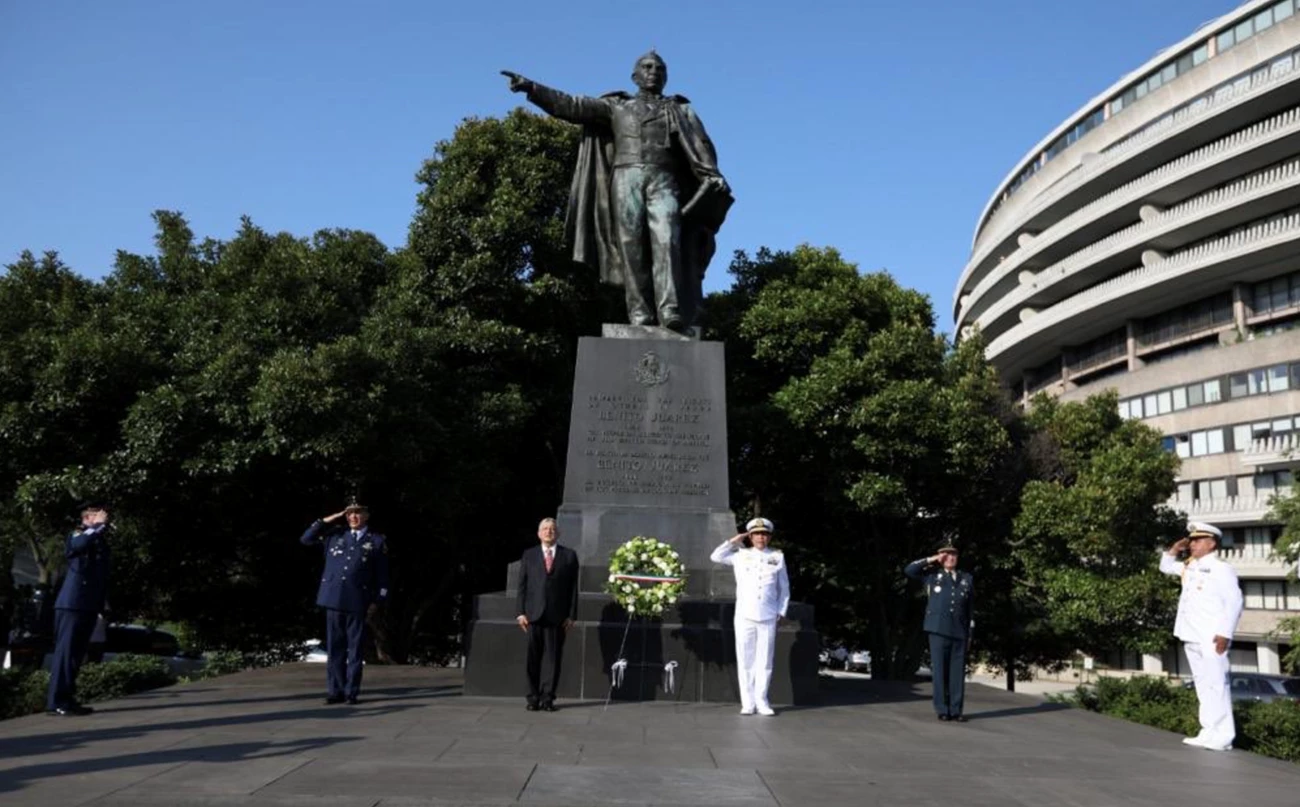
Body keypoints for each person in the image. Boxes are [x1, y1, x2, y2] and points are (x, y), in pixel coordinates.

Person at [502, 50, 732, 332]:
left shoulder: (679, 110)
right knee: (631, 246)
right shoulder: (617, 106)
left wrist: (711, 176)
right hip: (626, 177)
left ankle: (670, 309)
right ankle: (639, 313)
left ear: (666, 76)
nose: (653, 71)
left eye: (659, 68)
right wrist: (532, 88)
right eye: (647, 67)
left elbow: (701, 147)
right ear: (635, 76)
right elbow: (572, 106)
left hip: (664, 179)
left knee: (667, 240)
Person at [1159, 521, 1243, 751]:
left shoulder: (1220, 569)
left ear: (1211, 543)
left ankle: (1224, 735)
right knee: (1203, 685)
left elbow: (1235, 601)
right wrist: (1175, 550)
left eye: (1197, 540)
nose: (1192, 544)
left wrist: (1225, 633)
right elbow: (1165, 567)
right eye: (1192, 540)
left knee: (1217, 685)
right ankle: (1208, 730)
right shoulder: (1190, 566)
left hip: (1211, 636)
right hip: (1191, 634)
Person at [299, 499, 390, 705]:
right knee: (335, 649)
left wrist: (379, 599)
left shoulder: (375, 541)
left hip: (358, 600)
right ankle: (335, 691)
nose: (353, 517)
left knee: (355, 649)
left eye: (358, 513)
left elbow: (382, 575)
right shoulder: (335, 535)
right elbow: (306, 539)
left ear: (366, 516)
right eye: (350, 514)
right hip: (333, 598)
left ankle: (351, 692)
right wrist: (325, 520)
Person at [710, 517, 790, 716]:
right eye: (756, 534)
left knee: (765, 661)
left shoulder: (777, 557)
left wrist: (781, 611)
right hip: (745, 613)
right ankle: (748, 702)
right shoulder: (740, 555)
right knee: (746, 659)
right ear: (750, 536)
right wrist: (734, 540)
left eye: (764, 534)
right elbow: (716, 556)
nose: (760, 538)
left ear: (769, 537)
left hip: (768, 614)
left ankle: (762, 700)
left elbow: (784, 588)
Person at [46, 502, 112, 716]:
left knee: (76, 655)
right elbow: (78, 545)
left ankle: (67, 698)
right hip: (72, 604)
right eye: (95, 515)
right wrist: (96, 527)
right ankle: (56, 702)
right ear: (86, 518)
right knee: (65, 653)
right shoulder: (79, 533)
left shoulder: (98, 539)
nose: (102, 518)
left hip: (88, 604)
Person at [904, 543, 974, 722]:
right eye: (946, 555)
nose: (950, 558)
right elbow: (909, 570)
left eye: (954, 555)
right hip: (938, 629)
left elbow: (970, 610)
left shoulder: (966, 578)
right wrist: (932, 559)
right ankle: (942, 709)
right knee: (940, 671)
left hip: (959, 631)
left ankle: (956, 710)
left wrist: (970, 634)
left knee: (957, 673)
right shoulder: (932, 576)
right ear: (941, 557)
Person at [516, 517, 580, 711]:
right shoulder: (529, 555)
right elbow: (522, 586)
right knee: (532, 659)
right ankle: (532, 698)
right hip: (533, 615)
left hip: (557, 616)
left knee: (553, 660)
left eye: (552, 529)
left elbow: (573, 589)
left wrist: (572, 615)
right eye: (545, 529)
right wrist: (520, 612)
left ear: (558, 533)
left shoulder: (569, 556)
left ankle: (547, 698)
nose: (548, 532)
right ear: (539, 533)